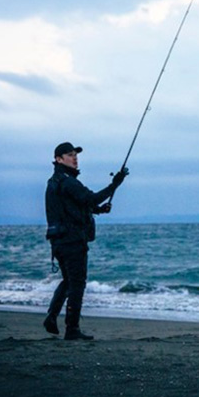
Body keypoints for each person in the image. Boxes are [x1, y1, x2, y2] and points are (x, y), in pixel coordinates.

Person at [43, 141, 128, 340]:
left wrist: (98, 210)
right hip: (72, 241)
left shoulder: (55, 181)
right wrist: (115, 184)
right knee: (77, 283)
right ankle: (72, 330)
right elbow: (91, 198)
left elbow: (76, 206)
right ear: (58, 159)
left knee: (68, 281)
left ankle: (51, 317)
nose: (75, 158)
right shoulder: (67, 181)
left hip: (59, 241)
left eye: (75, 154)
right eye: (70, 155)